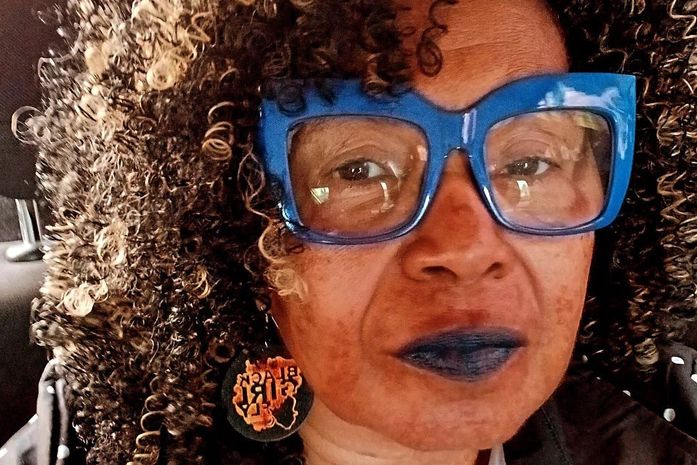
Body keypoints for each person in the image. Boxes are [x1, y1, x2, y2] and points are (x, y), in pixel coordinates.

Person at [1, 0, 696, 464]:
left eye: (531, 161)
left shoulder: (666, 429)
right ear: (235, 217)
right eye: (359, 168)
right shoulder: (89, 443)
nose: (465, 248)